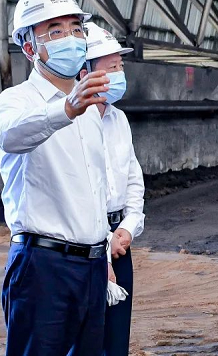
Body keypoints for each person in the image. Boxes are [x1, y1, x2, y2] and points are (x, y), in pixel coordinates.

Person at [0, 0, 110, 356]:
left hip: (92, 268)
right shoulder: (16, 101)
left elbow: (94, 189)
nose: (71, 39)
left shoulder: (91, 112)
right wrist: (65, 109)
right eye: (55, 32)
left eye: (76, 29)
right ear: (29, 47)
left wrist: (103, 254)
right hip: (43, 268)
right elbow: (11, 135)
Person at [79, 22, 145, 356]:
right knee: (85, 341)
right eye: (111, 67)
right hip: (85, 245)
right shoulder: (72, 123)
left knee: (117, 341)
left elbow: (133, 179)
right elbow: (77, 191)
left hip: (120, 243)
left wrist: (128, 228)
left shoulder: (119, 120)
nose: (119, 74)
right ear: (84, 73)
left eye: (120, 66)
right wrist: (104, 241)